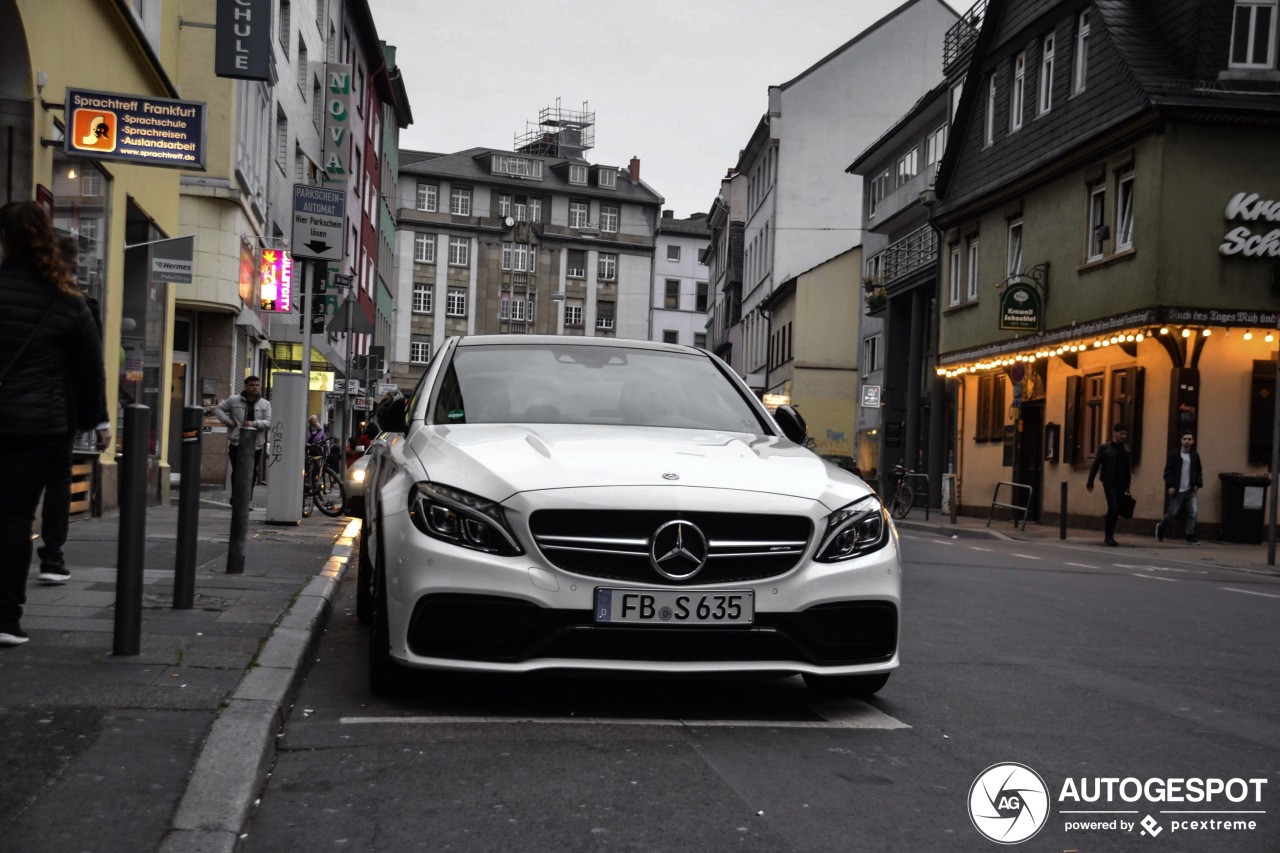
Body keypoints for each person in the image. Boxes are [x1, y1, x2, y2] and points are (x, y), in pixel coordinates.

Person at [0, 201, 107, 647]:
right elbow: (89, 369)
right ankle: (6, 618)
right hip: (36, 427)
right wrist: (94, 421)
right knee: (13, 517)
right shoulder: (68, 301)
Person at [36, 235, 111, 585]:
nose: (79, 264)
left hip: (12, 407)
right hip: (57, 410)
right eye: (75, 258)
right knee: (57, 479)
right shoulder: (80, 304)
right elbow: (92, 368)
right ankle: (52, 556)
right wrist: (101, 420)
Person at [214, 376, 272, 494]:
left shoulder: (265, 404)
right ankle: (236, 498)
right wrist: (227, 421)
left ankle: (247, 500)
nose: (255, 387)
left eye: (257, 385)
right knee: (237, 471)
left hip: (256, 444)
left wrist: (254, 423)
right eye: (252, 385)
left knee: (251, 472)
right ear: (245, 386)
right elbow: (218, 409)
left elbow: (269, 422)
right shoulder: (234, 400)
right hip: (237, 442)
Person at [1086, 423, 1132, 547]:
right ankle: (1108, 536)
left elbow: (1127, 467)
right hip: (1109, 482)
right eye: (1121, 433)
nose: (1123, 436)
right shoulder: (1105, 447)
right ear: (1114, 433)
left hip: (1122, 483)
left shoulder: (1126, 448)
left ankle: (1110, 534)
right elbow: (1096, 464)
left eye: (1125, 434)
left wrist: (1128, 483)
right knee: (1114, 507)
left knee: (1116, 510)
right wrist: (1090, 481)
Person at [1156, 431, 1203, 545]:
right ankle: (1161, 526)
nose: (1187, 441)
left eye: (1189, 439)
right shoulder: (1174, 455)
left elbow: (1198, 471)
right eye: (1185, 439)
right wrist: (1171, 486)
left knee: (1193, 513)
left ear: (1193, 441)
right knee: (1172, 513)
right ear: (1181, 441)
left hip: (1190, 489)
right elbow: (1168, 472)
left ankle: (1190, 536)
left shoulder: (1194, 456)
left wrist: (1198, 483)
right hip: (1177, 490)